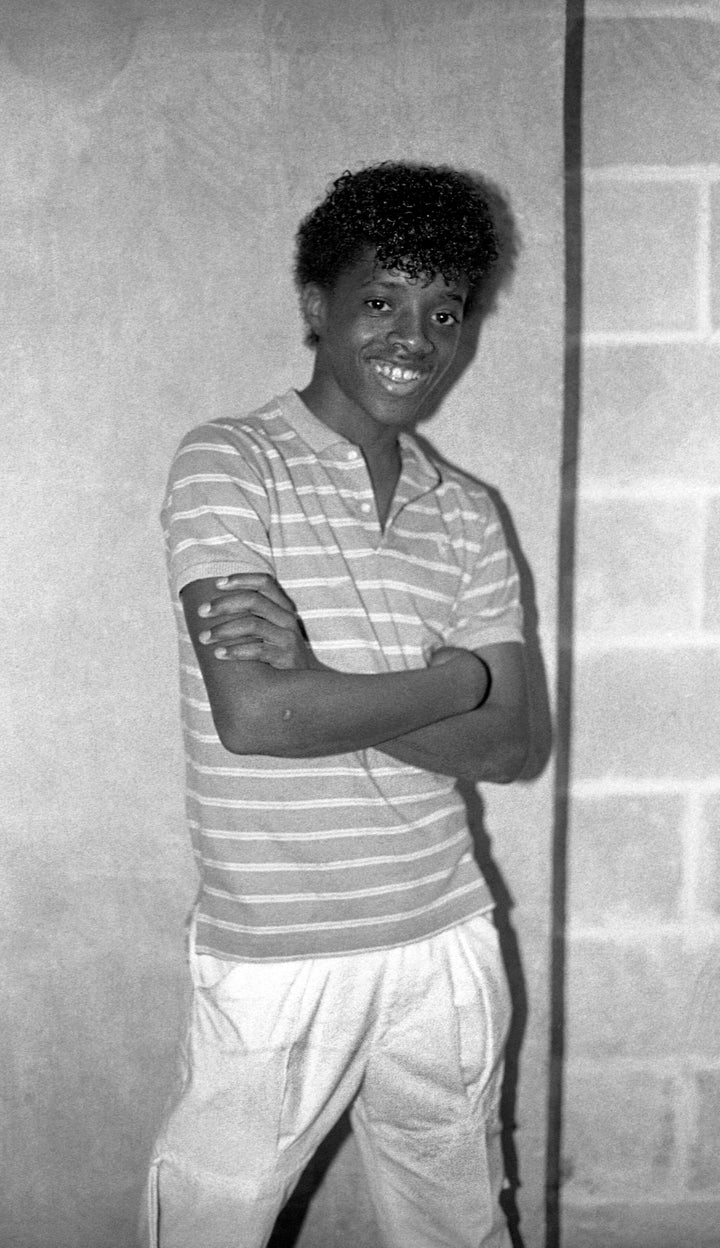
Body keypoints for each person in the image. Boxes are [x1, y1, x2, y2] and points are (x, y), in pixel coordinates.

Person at [147, 161, 530, 1248]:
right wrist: (453, 680)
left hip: (446, 936)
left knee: (461, 1228)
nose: (417, 336)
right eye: (381, 300)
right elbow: (257, 719)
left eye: (445, 310)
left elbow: (507, 744)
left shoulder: (466, 511)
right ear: (316, 307)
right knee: (206, 1227)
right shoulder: (230, 462)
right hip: (276, 953)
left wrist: (320, 676)